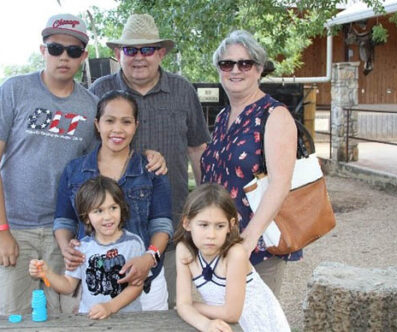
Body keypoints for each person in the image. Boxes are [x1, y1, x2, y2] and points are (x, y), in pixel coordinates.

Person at [87, 14, 211, 308]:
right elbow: (85, 154)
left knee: (166, 308)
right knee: (107, 309)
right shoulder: (99, 92)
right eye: (131, 50)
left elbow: (197, 149)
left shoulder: (182, 90)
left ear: (161, 53)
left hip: (169, 222)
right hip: (109, 229)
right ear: (119, 54)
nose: (139, 57)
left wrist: (206, 201)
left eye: (147, 50)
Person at [0, 13, 100, 315]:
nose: (64, 57)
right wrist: (2, 230)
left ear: (83, 56)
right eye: (55, 48)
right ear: (42, 50)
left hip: (65, 234)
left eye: (73, 51)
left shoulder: (91, 106)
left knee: (64, 318)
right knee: (9, 317)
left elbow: (97, 168)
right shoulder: (14, 90)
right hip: (15, 230)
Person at [53, 90, 173, 310]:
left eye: (126, 122)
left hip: (145, 282)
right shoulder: (75, 170)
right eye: (110, 121)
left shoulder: (152, 170)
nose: (117, 129)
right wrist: (66, 247)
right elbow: (63, 221)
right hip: (95, 290)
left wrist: (149, 258)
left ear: (136, 125)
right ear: (97, 124)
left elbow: (162, 224)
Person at [200, 30, 298, 296]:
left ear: (259, 69)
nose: (235, 70)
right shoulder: (222, 116)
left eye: (245, 63)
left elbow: (281, 183)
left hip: (256, 248)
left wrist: (249, 239)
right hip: (220, 245)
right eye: (227, 63)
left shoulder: (274, 115)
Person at [174, 183, 290, 332]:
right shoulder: (184, 251)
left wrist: (193, 306)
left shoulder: (235, 254)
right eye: (203, 225)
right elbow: (183, 304)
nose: (211, 235)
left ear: (231, 225)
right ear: (187, 223)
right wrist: (205, 324)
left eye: (220, 226)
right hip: (224, 324)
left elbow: (232, 313)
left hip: (258, 324)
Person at [30, 176, 144, 319]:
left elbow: (137, 286)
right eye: (98, 211)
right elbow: (68, 285)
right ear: (86, 217)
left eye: (113, 208)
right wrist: (47, 273)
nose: (107, 217)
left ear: (121, 208)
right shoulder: (82, 247)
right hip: (91, 320)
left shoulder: (133, 244)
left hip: (128, 320)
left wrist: (109, 307)